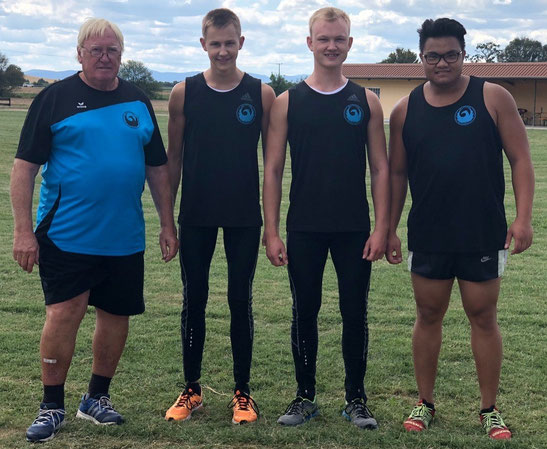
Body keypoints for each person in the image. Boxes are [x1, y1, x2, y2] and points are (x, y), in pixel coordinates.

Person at [10, 18, 178, 443]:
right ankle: (51, 405)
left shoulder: (137, 102)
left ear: (122, 55)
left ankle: (96, 398)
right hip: (67, 233)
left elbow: (157, 168)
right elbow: (24, 170)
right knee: (64, 313)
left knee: (116, 316)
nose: (105, 57)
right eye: (96, 50)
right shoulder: (54, 99)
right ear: (79, 53)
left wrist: (167, 223)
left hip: (123, 236)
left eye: (113, 51)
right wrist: (23, 231)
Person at [387, 18, 534, 440]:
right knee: (428, 314)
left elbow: (521, 160)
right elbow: (397, 175)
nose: (442, 62)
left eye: (451, 54)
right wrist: (390, 229)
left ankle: (489, 408)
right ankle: (425, 401)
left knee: (483, 316)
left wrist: (522, 219)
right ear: (421, 58)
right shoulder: (404, 109)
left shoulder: (492, 97)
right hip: (429, 233)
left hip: (481, 233)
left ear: (463, 54)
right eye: (433, 55)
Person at [263, 7, 389, 429]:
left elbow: (381, 168)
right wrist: (273, 230)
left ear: (349, 44)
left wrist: (382, 227)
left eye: (339, 39)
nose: (331, 46)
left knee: (355, 312)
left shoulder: (365, 100)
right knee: (305, 313)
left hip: (354, 228)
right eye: (323, 39)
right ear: (310, 42)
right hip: (304, 228)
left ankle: (356, 399)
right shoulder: (287, 102)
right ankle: (304, 396)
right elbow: (274, 169)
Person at [164, 8, 275, 425]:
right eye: (216, 44)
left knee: (238, 300)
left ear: (241, 43)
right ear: (203, 45)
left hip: (244, 217)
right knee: (194, 300)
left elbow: (273, 166)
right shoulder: (183, 93)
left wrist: (271, 225)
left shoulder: (260, 94)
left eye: (231, 43)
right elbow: (173, 161)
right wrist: (166, 221)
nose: (223, 50)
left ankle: (242, 393)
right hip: (195, 214)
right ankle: (191, 388)